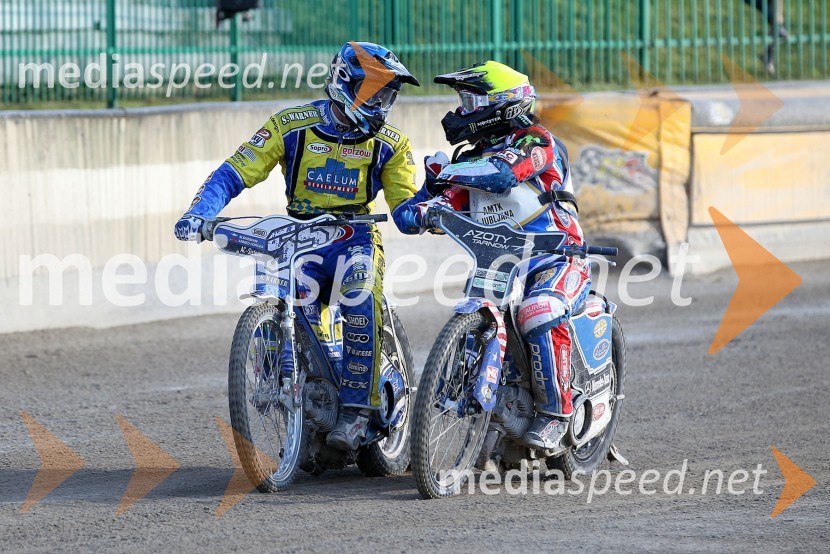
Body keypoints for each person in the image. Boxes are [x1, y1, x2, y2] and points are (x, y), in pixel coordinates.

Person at [174, 41, 435, 451]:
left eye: (388, 95)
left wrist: (424, 211)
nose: (383, 104)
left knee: (359, 296)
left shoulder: (391, 143)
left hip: (355, 238)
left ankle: (357, 411)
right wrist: (200, 213)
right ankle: (309, 411)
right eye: (376, 93)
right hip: (298, 236)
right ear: (345, 84)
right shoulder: (291, 124)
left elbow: (404, 206)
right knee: (294, 310)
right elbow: (234, 171)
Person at [423, 60, 590, 449]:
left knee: (539, 310)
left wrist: (444, 172)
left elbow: (500, 174)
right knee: (474, 308)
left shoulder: (537, 141)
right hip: (497, 260)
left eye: (470, 100)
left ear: (503, 105)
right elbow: (434, 202)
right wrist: (421, 206)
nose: (462, 111)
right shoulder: (466, 159)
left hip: (558, 258)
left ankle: (555, 413)